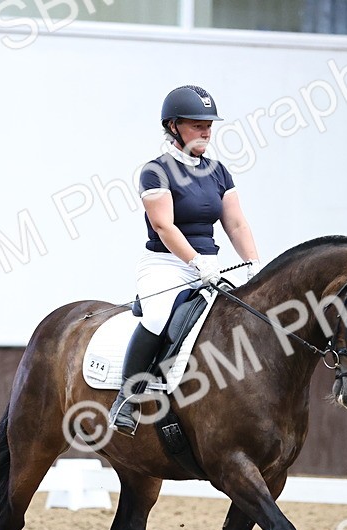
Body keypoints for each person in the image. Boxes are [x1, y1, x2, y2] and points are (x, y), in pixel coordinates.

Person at [109, 85, 262, 436]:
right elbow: (164, 225)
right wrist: (196, 261)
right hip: (166, 265)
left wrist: (254, 262)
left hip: (211, 264)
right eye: (197, 125)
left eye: (209, 124)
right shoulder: (156, 171)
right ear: (174, 126)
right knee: (160, 316)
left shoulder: (219, 172)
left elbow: (236, 223)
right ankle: (128, 398)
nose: (206, 131)